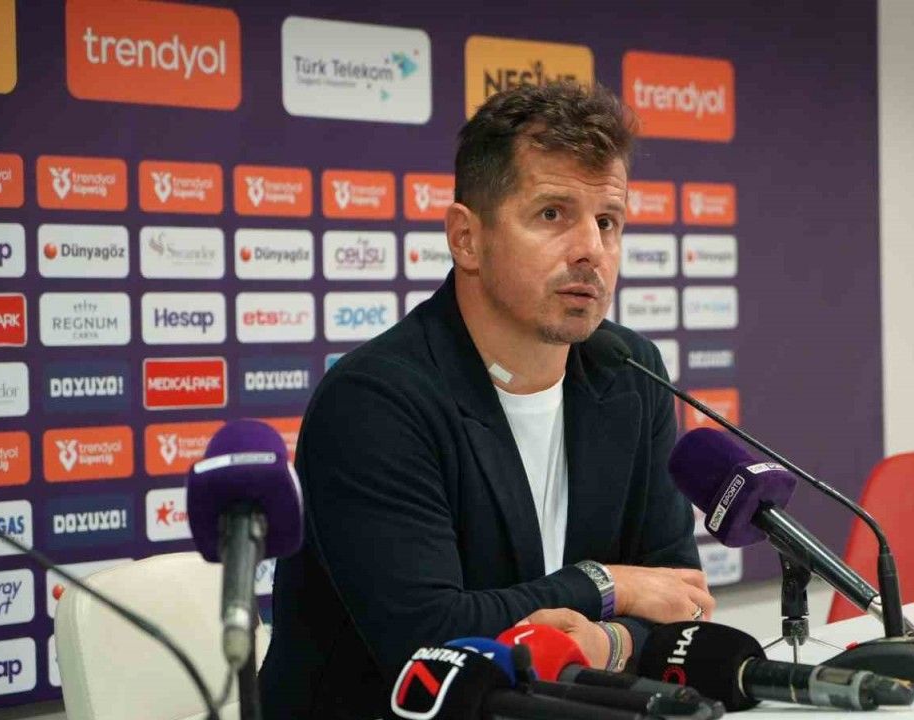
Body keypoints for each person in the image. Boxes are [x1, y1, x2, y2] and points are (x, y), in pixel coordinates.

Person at [259, 81, 715, 719]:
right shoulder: (375, 400)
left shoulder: (631, 374)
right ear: (466, 238)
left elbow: (681, 600)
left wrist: (605, 642)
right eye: (552, 214)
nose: (591, 249)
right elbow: (428, 641)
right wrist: (608, 585)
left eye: (608, 222)